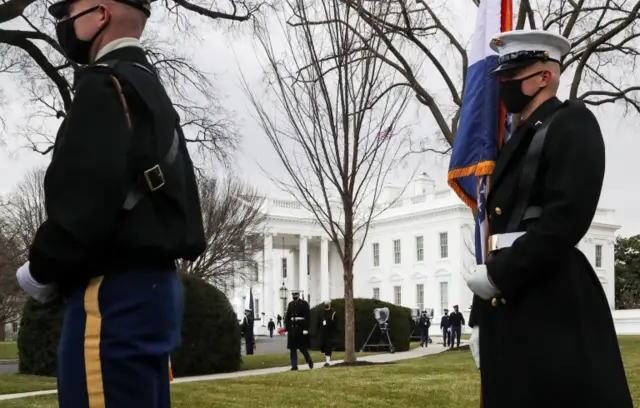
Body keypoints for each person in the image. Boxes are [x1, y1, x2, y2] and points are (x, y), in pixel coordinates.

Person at [14, 0, 206, 407]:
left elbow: (84, 199)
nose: (62, 21)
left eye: (67, 12)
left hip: (112, 296)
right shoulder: (150, 88)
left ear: (101, 15)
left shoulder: (104, 85)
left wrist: (41, 268)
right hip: (155, 291)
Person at [464, 30, 633, 408]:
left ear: (545, 76)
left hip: (550, 295)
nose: (504, 85)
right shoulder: (513, 139)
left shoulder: (571, 123)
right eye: (503, 77)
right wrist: (481, 313)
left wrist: (498, 276)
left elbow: (566, 218)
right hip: (509, 296)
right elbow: (496, 229)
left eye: (514, 76)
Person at [285, 290, 313, 370]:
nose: (294, 296)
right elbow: (288, 317)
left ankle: (309, 359)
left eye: (296, 294)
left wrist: (306, 329)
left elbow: (308, 317)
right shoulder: (290, 304)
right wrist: (286, 329)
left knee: (302, 348)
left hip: (300, 328)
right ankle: (294, 366)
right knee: (292, 349)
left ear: (298, 295)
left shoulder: (304, 304)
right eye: (293, 295)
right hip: (292, 329)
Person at [319, 300, 337, 367]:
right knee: (323, 347)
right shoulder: (322, 312)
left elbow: (335, 323)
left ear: (330, 304)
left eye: (328, 304)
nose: (327, 305)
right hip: (323, 332)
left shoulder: (333, 312)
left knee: (328, 347)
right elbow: (319, 321)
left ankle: (328, 361)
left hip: (329, 332)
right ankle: (326, 359)